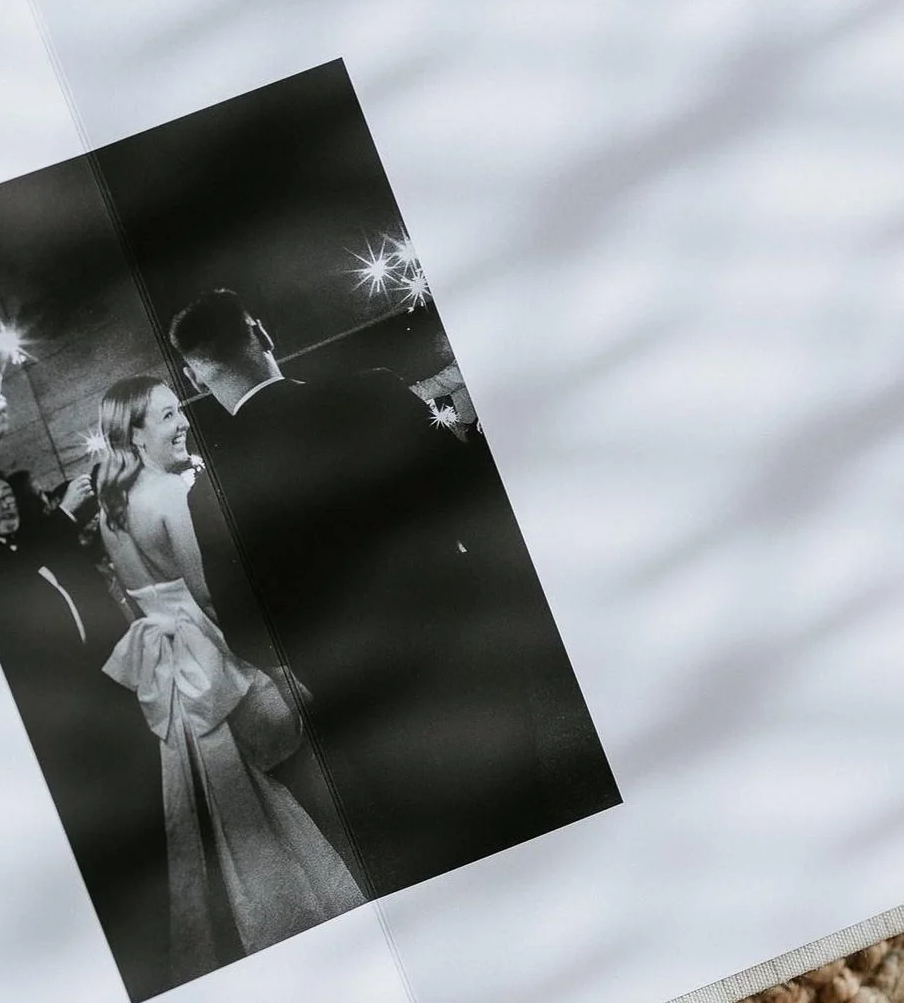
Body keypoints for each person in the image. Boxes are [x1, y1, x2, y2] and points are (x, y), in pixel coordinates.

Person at [168, 290, 621, 896]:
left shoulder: (210, 495)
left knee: (459, 856)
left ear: (194, 375)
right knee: (538, 809)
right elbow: (474, 504)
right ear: (263, 335)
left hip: (360, 697)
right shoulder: (372, 392)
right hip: (464, 644)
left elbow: (247, 631)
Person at [95, 375, 364, 987]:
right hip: (217, 659)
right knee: (295, 792)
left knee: (228, 817)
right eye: (168, 415)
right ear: (134, 433)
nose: (183, 422)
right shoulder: (173, 494)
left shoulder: (111, 509)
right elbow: (212, 594)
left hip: (173, 674)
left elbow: (143, 598)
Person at [0, 393, 173, 1003]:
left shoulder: (33, 544)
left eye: (6, 497)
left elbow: (67, 547)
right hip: (55, 719)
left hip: (107, 688)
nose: (3, 506)